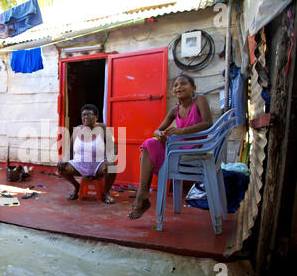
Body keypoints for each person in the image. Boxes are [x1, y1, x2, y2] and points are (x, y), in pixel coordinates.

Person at [128, 74, 213, 220]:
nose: (178, 87)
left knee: (147, 150)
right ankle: (143, 194)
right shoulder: (175, 110)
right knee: (150, 144)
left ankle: (143, 195)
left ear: (193, 88)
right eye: (175, 85)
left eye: (183, 84)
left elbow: (207, 123)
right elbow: (157, 130)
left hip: (194, 149)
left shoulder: (199, 100)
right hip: (178, 148)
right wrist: (160, 133)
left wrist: (182, 131)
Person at [57, 104, 117, 204]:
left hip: (98, 165)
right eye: (83, 115)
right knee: (61, 167)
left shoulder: (102, 128)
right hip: (79, 165)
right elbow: (70, 150)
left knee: (112, 166)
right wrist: (64, 159)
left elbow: (113, 147)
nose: (85, 117)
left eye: (88, 114)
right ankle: (77, 187)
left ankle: (106, 192)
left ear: (96, 117)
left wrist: (110, 158)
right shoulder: (77, 130)